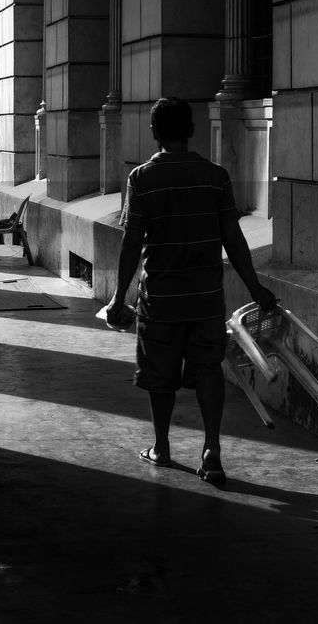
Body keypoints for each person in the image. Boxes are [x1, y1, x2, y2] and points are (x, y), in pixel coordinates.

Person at [106, 97, 277, 485]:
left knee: (159, 374)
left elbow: (132, 243)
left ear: (154, 132)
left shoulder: (142, 179)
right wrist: (257, 287)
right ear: (192, 130)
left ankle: (162, 447)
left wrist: (119, 297)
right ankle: (211, 449)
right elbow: (233, 238)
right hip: (205, 298)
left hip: (161, 299)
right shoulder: (215, 176)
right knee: (208, 370)